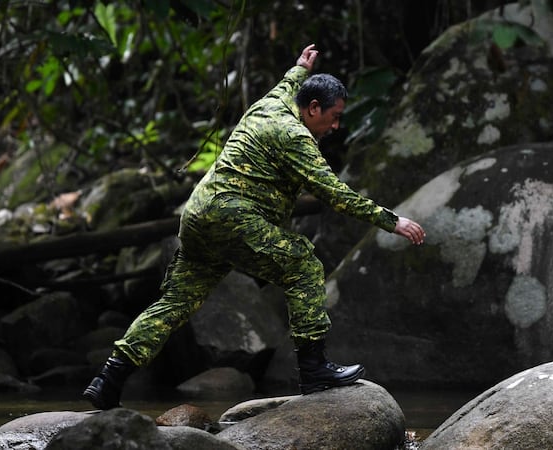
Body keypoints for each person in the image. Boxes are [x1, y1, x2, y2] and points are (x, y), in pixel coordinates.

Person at [83, 44, 425, 410]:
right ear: (312, 109)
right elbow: (336, 195)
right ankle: (313, 369)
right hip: (233, 216)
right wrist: (393, 221)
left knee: (174, 304)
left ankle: (108, 379)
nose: (336, 126)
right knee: (303, 264)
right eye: (334, 116)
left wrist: (299, 67)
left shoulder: (271, 103)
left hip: (198, 216)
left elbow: (286, 83)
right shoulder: (295, 137)